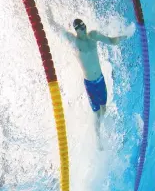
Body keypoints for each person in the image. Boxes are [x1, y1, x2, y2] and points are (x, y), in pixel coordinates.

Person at [46, 8, 128, 148]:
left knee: (104, 108)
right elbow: (57, 29)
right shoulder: (74, 42)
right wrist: (50, 17)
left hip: (100, 80)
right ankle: (98, 139)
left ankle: (103, 128)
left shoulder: (93, 36)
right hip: (90, 84)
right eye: (80, 27)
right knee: (96, 112)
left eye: (83, 25)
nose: (83, 28)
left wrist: (126, 35)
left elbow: (111, 41)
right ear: (76, 30)